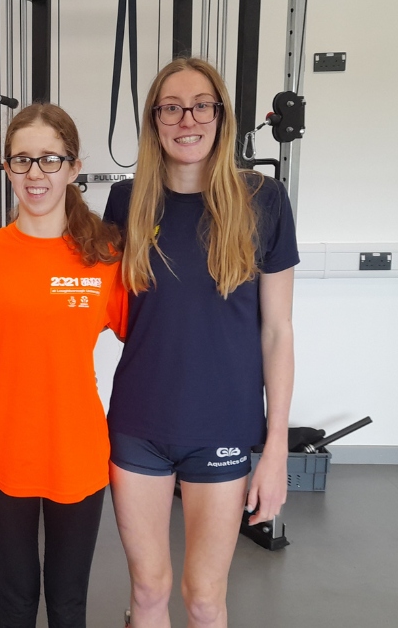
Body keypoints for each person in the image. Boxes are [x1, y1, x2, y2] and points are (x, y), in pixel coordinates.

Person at [102, 57, 298, 628]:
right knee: (148, 593)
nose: (187, 119)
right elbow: (67, 294)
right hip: (139, 425)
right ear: (154, 121)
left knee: (206, 599)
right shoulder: (126, 201)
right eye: (171, 107)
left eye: (201, 105)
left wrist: (277, 447)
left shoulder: (264, 199)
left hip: (223, 426)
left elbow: (278, 330)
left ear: (220, 114)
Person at [0, 103, 127, 628]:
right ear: (6, 168)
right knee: (14, 604)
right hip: (3, 449)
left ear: (74, 168)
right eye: (22, 160)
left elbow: (149, 338)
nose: (36, 173)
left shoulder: (104, 254)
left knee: (68, 604)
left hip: (76, 449)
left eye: (50, 160)